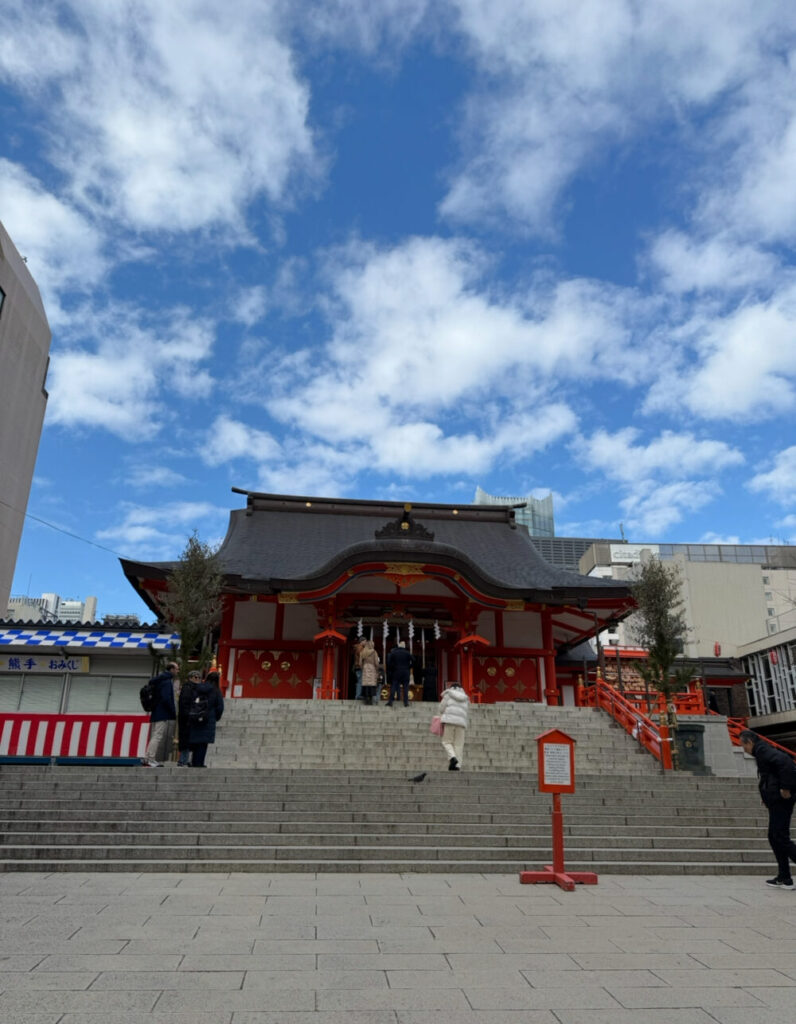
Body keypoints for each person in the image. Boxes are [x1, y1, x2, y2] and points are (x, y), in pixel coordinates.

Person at [740, 729, 796, 888]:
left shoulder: (764, 751)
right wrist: (766, 796)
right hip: (775, 799)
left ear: (750, 742)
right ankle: (784, 876)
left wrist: (786, 788)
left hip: (781, 800)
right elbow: (769, 776)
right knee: (774, 836)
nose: (745, 750)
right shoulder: (762, 751)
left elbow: (786, 763)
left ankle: (785, 876)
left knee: (780, 836)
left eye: (744, 746)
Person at [141, 661, 178, 767]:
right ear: (172, 669)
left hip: (156, 711)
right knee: (157, 736)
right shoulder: (167, 681)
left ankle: (147, 757)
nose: (178, 671)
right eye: (176, 669)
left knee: (155, 735)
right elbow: (167, 698)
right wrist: (172, 711)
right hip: (162, 712)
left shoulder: (160, 679)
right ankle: (150, 758)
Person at [185, 671, 224, 767]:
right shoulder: (216, 690)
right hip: (208, 718)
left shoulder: (198, 688)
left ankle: (193, 761)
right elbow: (220, 707)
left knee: (196, 741)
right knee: (203, 743)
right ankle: (200, 763)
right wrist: (216, 717)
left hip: (196, 716)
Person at [439, 681, 469, 770]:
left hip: (449, 721)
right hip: (461, 723)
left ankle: (452, 757)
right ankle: (457, 766)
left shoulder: (448, 694)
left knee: (446, 742)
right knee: (459, 745)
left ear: (451, 688)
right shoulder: (465, 697)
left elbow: (441, 708)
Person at [176, 670, 201, 766]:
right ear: (190, 678)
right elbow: (184, 703)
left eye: (199, 677)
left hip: (192, 717)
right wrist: (188, 715)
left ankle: (187, 760)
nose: (198, 679)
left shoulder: (196, 688)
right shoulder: (187, 687)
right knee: (185, 739)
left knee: (190, 740)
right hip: (187, 718)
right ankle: (183, 760)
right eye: (195, 677)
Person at [386, 641, 413, 707]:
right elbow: (414, 660)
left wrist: (392, 668)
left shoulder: (394, 653)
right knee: (405, 687)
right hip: (405, 672)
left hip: (396, 671)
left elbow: (389, 662)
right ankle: (406, 702)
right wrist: (409, 667)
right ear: (404, 646)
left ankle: (390, 701)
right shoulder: (407, 653)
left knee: (394, 685)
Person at [359, 639, 380, 706]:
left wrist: (362, 667)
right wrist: (377, 668)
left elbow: (360, 663)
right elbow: (376, 662)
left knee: (365, 683)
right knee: (371, 683)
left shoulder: (363, 652)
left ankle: (366, 698)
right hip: (372, 668)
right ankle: (370, 699)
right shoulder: (374, 652)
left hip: (365, 668)